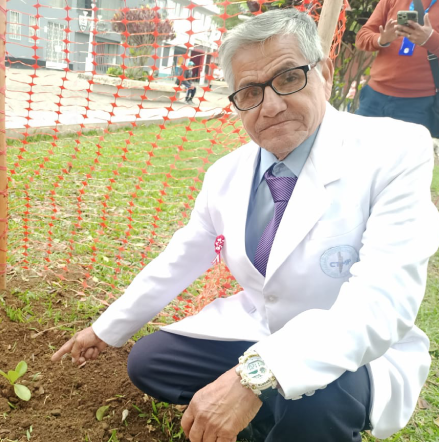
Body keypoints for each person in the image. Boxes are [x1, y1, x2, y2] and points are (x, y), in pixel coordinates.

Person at [51, 9, 439, 442]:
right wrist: (106, 328)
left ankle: (288, 413)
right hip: (259, 327)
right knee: (151, 361)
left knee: (319, 399)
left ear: (324, 74)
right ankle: (269, 410)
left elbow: (381, 304)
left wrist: (254, 377)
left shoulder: (395, 150)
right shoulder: (226, 174)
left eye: (289, 78)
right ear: (236, 101)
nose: (271, 106)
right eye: (250, 92)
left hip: (355, 350)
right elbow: (181, 256)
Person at [354, 0, 439, 131]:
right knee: (359, 149)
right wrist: (382, 39)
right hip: (374, 97)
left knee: (410, 151)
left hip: (419, 104)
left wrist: (430, 39)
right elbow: (362, 37)